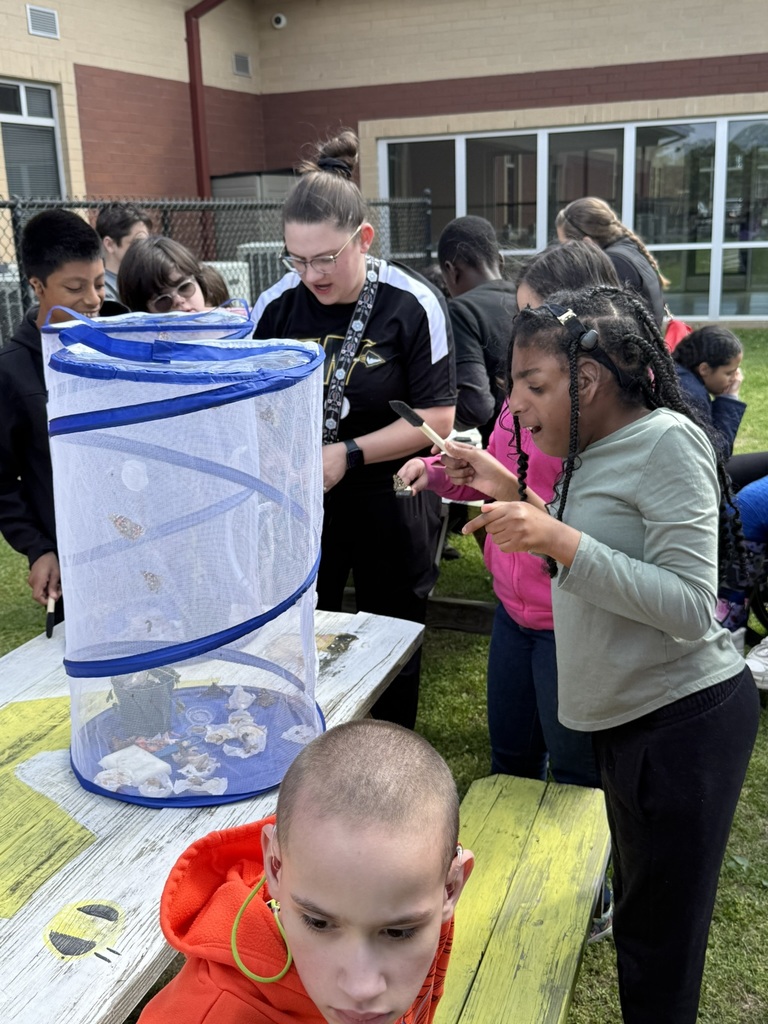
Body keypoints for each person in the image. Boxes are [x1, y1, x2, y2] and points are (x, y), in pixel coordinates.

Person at [458, 286, 759, 1024]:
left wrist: (559, 541)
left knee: (660, 946)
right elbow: (604, 545)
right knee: (641, 921)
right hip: (629, 720)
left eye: (533, 386)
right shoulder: (590, 449)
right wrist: (516, 495)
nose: (517, 407)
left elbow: (692, 604)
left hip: (682, 725)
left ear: (586, 382)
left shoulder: (667, 442)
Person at [251, 130, 456, 730]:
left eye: (326, 258)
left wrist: (349, 453)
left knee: (390, 637)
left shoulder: (411, 302)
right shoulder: (276, 306)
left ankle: (389, 757)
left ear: (363, 239)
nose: (311, 274)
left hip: (390, 494)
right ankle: (306, 747)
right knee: (295, 633)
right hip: (302, 498)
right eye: (297, 258)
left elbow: (438, 419)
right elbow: (253, 406)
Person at [137, 719, 474, 1024]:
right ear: (275, 865)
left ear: (450, 888)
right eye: (318, 922)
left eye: (398, 933)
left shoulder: (414, 885)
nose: (361, 988)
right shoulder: (209, 1015)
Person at [0, 209, 127, 617]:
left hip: (146, 542)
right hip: (77, 562)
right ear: (37, 285)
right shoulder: (11, 371)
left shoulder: (122, 333)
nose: (92, 300)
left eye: (97, 282)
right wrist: (39, 549)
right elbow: (2, 482)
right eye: (74, 287)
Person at [437, 216, 518, 446]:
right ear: (500, 261)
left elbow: (476, 408)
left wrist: (438, 416)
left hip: (505, 454)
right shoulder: (527, 296)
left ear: (451, 271)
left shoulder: (462, 311)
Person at [672, 324, 768, 488]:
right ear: (704, 369)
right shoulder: (690, 394)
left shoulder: (677, 376)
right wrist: (729, 398)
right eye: (729, 373)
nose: (735, 378)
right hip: (689, 484)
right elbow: (716, 454)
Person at [555, 197, 666, 328]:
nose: (567, 253)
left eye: (566, 246)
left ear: (586, 242)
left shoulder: (613, 264)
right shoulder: (628, 249)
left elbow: (598, 324)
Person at [118, 236, 210, 313]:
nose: (178, 300)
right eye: (163, 300)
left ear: (199, 283)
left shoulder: (222, 324)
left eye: (185, 287)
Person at [95, 202, 152, 301]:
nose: (145, 247)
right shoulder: (102, 291)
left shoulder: (147, 278)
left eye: (147, 241)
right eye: (137, 242)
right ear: (109, 245)